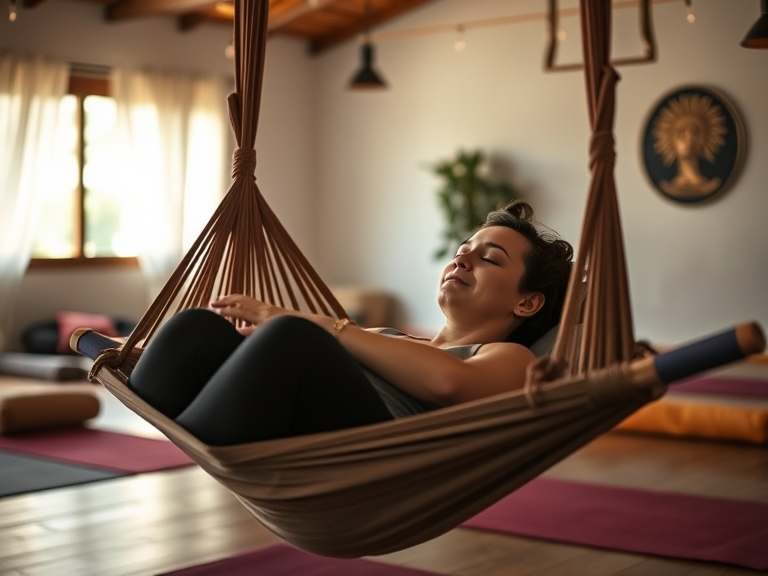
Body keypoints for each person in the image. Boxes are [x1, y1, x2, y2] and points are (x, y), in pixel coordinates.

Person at [127, 201, 574, 446]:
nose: (462, 257)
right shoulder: (386, 338)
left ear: (528, 303)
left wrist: (320, 325)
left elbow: (446, 384)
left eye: (489, 258)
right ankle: (164, 404)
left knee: (292, 335)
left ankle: (203, 435)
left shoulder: (511, 358)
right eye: (464, 247)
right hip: (284, 416)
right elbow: (261, 355)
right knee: (199, 327)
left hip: (370, 450)